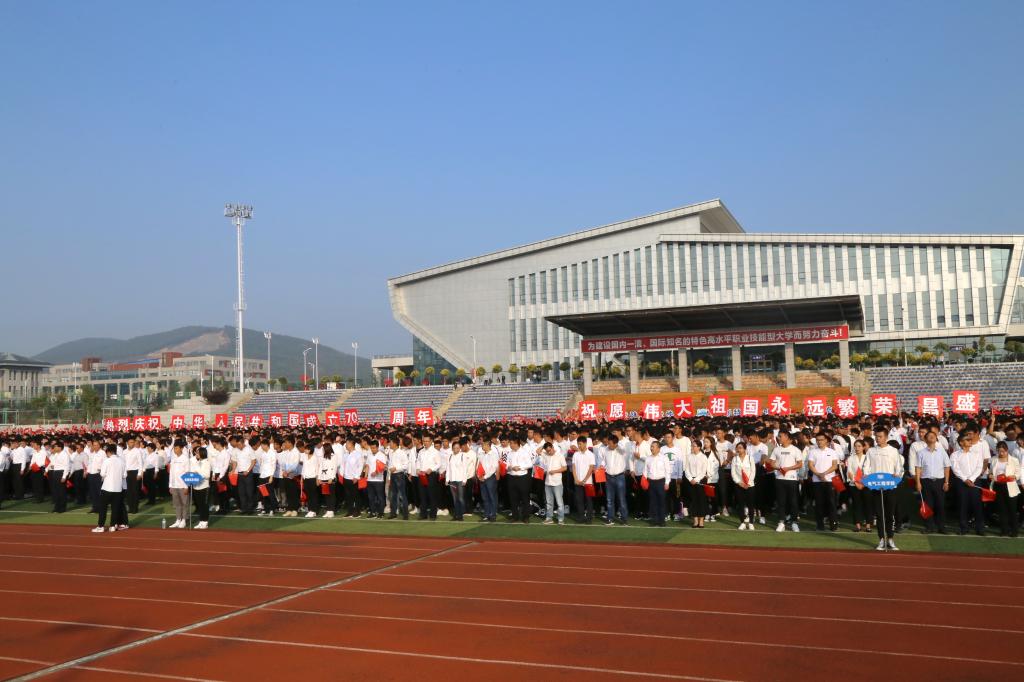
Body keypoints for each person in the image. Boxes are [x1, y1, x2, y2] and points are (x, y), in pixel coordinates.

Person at [867, 430, 904, 550]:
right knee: (879, 514)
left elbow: (899, 468)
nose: (878, 438)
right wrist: (868, 478)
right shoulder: (871, 451)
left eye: (880, 436)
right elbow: (866, 467)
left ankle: (891, 539)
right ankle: (882, 539)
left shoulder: (893, 451)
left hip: (890, 486)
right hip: (876, 486)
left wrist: (896, 475)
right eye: (876, 436)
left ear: (886, 437)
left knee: (890, 514)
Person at [914, 430, 950, 534]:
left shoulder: (942, 452)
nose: (931, 437)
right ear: (925, 439)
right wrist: (918, 482)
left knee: (941, 505)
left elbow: (947, 467)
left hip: (939, 481)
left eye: (933, 436)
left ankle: (941, 527)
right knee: (928, 505)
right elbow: (918, 468)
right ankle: (929, 527)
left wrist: (946, 482)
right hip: (926, 481)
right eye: (929, 436)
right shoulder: (921, 453)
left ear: (936, 438)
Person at [951, 433, 985, 536]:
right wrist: (965, 479)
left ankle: (980, 528)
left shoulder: (976, 454)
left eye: (970, 440)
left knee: (977, 505)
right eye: (967, 439)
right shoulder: (955, 455)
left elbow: (979, 467)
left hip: (975, 482)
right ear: (961, 443)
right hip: (961, 483)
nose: (970, 441)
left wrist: (971, 479)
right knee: (962, 505)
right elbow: (955, 469)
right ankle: (963, 528)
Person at [771, 429, 803, 533]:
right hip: (780, 478)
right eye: (779, 436)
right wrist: (777, 467)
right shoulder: (777, 449)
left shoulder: (795, 450)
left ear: (787, 437)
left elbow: (800, 464)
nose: (779, 438)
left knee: (793, 501)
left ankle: (794, 522)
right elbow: (772, 462)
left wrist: (788, 468)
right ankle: (781, 522)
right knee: (781, 501)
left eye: (781, 436)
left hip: (792, 479)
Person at [806, 433, 839, 531]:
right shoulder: (813, 452)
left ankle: (833, 524)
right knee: (819, 503)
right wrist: (818, 474)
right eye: (818, 440)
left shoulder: (832, 452)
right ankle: (820, 525)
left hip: (829, 480)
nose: (819, 442)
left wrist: (824, 474)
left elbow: (834, 466)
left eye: (821, 440)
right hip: (817, 481)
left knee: (831, 503)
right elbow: (810, 465)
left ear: (826, 441)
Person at [990, 442, 1020, 537]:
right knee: (1001, 510)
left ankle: (1014, 531)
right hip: (998, 486)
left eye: (1003, 451)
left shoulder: (1014, 460)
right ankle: (1004, 530)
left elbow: (1018, 472)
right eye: (999, 451)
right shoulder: (994, 459)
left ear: (1007, 450)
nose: (1001, 453)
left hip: (1010, 486)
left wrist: (1014, 476)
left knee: (1012, 509)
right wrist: (990, 475)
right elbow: (991, 472)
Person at [93, 444, 125, 533]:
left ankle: (101, 526)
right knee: (115, 508)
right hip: (118, 488)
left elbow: (102, 474)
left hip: (107, 487)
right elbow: (124, 475)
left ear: (108, 452)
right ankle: (112, 526)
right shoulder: (121, 462)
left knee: (103, 508)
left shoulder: (107, 461)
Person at [846, 439, 872, 533]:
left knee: (868, 505)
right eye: (855, 446)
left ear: (864, 447)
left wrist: (864, 483)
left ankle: (868, 526)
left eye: (859, 446)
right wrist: (856, 482)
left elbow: (870, 471)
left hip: (866, 485)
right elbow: (849, 472)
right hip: (854, 485)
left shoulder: (868, 457)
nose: (857, 448)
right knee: (856, 505)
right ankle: (858, 525)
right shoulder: (851, 458)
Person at [506, 436, 533, 523]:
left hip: (522, 477)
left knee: (525, 498)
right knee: (513, 498)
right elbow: (506, 464)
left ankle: (526, 517)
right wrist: (510, 467)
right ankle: (515, 516)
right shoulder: (509, 453)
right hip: (511, 477)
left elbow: (530, 464)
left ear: (517, 443)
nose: (511, 445)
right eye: (510, 443)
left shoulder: (524, 452)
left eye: (512, 443)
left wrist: (520, 467)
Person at [540, 441, 567, 525]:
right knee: (549, 502)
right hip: (548, 482)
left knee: (559, 502)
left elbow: (565, 468)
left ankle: (561, 519)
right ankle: (549, 518)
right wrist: (544, 472)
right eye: (547, 451)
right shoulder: (545, 456)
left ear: (553, 448)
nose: (549, 452)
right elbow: (538, 451)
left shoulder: (560, 456)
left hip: (557, 482)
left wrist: (554, 471)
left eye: (550, 450)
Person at [684, 437, 709, 528]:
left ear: (699, 447)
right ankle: (695, 520)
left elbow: (703, 471)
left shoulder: (703, 457)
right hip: (690, 480)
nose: (692, 448)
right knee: (693, 500)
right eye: (692, 446)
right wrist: (690, 479)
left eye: (694, 446)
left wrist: (696, 479)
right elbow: (686, 469)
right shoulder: (689, 456)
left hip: (700, 480)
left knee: (701, 500)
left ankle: (701, 520)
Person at [730, 441, 756, 530]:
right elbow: (733, 473)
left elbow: (753, 471)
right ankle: (742, 522)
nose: (738, 449)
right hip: (739, 485)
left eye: (740, 448)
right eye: (737, 448)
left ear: (745, 449)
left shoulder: (750, 458)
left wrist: (748, 483)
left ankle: (751, 522)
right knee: (740, 504)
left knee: (750, 504)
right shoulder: (735, 459)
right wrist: (739, 482)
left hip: (749, 485)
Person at [644, 440, 670, 527]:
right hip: (651, 482)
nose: (651, 448)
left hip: (661, 481)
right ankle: (655, 520)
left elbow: (668, 471)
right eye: (651, 446)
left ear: (659, 448)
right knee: (653, 501)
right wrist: (645, 481)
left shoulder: (664, 458)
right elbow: (645, 471)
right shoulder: (648, 458)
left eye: (653, 446)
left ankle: (662, 520)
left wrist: (667, 483)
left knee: (661, 501)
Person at [571, 435, 595, 524]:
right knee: (579, 500)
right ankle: (581, 517)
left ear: (585, 443)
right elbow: (573, 467)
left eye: (580, 444)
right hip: (577, 481)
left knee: (589, 500)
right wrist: (576, 479)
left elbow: (591, 468)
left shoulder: (591, 454)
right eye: (578, 444)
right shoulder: (576, 454)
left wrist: (584, 480)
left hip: (588, 482)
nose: (579, 446)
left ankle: (589, 518)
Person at [167, 440, 191, 529]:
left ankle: (184, 519)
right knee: (176, 504)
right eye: (174, 448)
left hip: (182, 485)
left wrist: (186, 486)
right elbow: (171, 473)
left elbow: (187, 472)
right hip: (174, 485)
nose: (175, 450)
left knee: (184, 503)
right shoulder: (173, 459)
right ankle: (178, 519)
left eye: (176, 448)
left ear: (181, 448)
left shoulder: (185, 459)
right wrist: (170, 485)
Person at [387, 437, 411, 520]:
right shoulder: (390, 452)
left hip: (399, 475)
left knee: (402, 495)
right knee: (393, 495)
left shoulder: (401, 452)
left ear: (394, 444)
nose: (389, 444)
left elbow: (406, 465)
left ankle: (405, 514)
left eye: (390, 442)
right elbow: (390, 464)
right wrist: (389, 477)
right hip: (393, 475)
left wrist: (396, 468)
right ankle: (393, 513)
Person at [192, 446, 212, 529]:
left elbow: (207, 475)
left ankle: (205, 521)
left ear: (201, 453)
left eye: (197, 452)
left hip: (204, 487)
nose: (196, 454)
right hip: (196, 486)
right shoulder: (197, 462)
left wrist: (197, 470)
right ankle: (201, 521)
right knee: (199, 505)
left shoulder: (207, 462)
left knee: (204, 505)